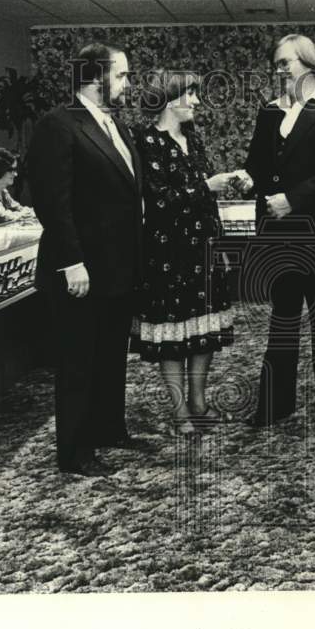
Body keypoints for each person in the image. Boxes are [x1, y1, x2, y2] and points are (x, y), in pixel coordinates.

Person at [27, 41, 144, 477]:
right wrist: (71, 262)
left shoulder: (115, 126)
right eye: (123, 75)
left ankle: (110, 429)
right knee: (78, 361)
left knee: (111, 355)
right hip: (80, 270)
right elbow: (52, 203)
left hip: (116, 269)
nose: (129, 84)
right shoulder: (58, 125)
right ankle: (74, 452)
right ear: (97, 78)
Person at [241, 33, 315, 444]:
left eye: (286, 62)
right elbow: (257, 165)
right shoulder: (270, 112)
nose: (280, 70)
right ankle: (275, 405)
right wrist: (246, 179)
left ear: (309, 63)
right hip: (279, 239)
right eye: (276, 64)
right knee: (282, 322)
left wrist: (292, 200)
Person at [130, 69, 244, 432]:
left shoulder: (193, 140)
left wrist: (220, 188)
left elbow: (202, 197)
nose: (196, 102)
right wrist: (206, 187)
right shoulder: (145, 141)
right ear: (169, 100)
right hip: (167, 255)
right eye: (190, 95)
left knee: (202, 333)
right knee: (174, 335)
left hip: (203, 250)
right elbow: (159, 202)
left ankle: (199, 402)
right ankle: (180, 412)